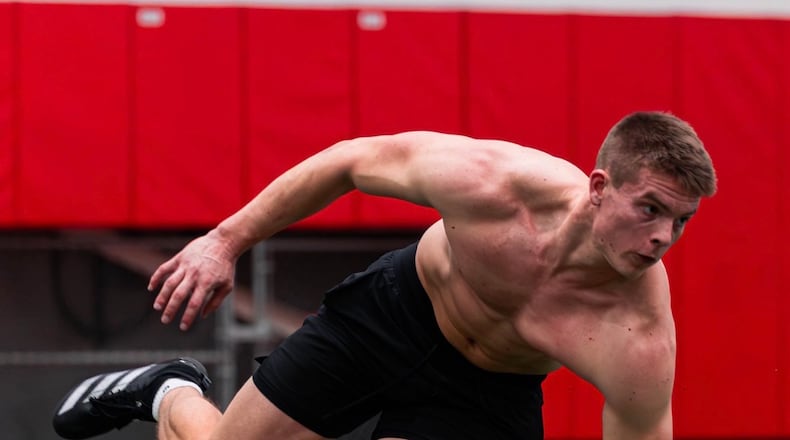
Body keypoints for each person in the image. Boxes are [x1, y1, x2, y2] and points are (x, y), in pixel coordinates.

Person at [53, 111, 716, 440]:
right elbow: (350, 161)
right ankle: (169, 389)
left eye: (680, 221)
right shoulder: (496, 184)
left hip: (487, 391)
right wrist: (224, 241)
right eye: (649, 209)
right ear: (599, 187)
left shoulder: (636, 336)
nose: (663, 237)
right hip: (391, 315)